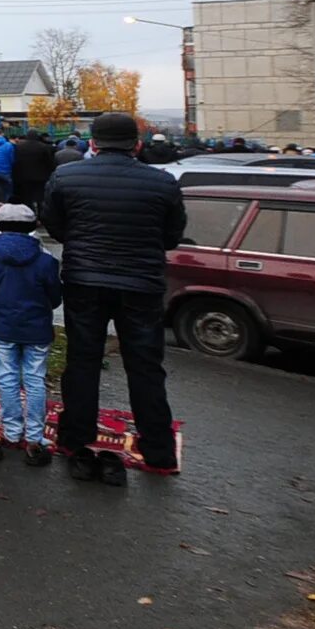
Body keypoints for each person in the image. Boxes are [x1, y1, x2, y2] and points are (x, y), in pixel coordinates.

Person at [39, 110, 184, 481]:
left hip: (85, 279)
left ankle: (74, 437)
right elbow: (171, 235)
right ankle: (158, 450)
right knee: (146, 366)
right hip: (141, 283)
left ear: (93, 143)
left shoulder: (67, 177)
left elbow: (54, 224)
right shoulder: (162, 183)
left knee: (83, 358)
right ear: (136, 145)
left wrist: (82, 243)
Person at [0, 203, 60, 465]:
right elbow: (55, 297)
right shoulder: (46, 261)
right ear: (32, 227)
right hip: (37, 327)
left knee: (7, 377)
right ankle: (35, 436)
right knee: (35, 379)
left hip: (4, 326)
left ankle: (11, 431)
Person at [10, 129, 57, 211]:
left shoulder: (19, 147)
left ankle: (28, 213)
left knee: (27, 197)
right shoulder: (43, 147)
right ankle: (40, 214)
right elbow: (48, 162)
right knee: (40, 197)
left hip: (24, 176)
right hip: (40, 177)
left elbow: (16, 162)